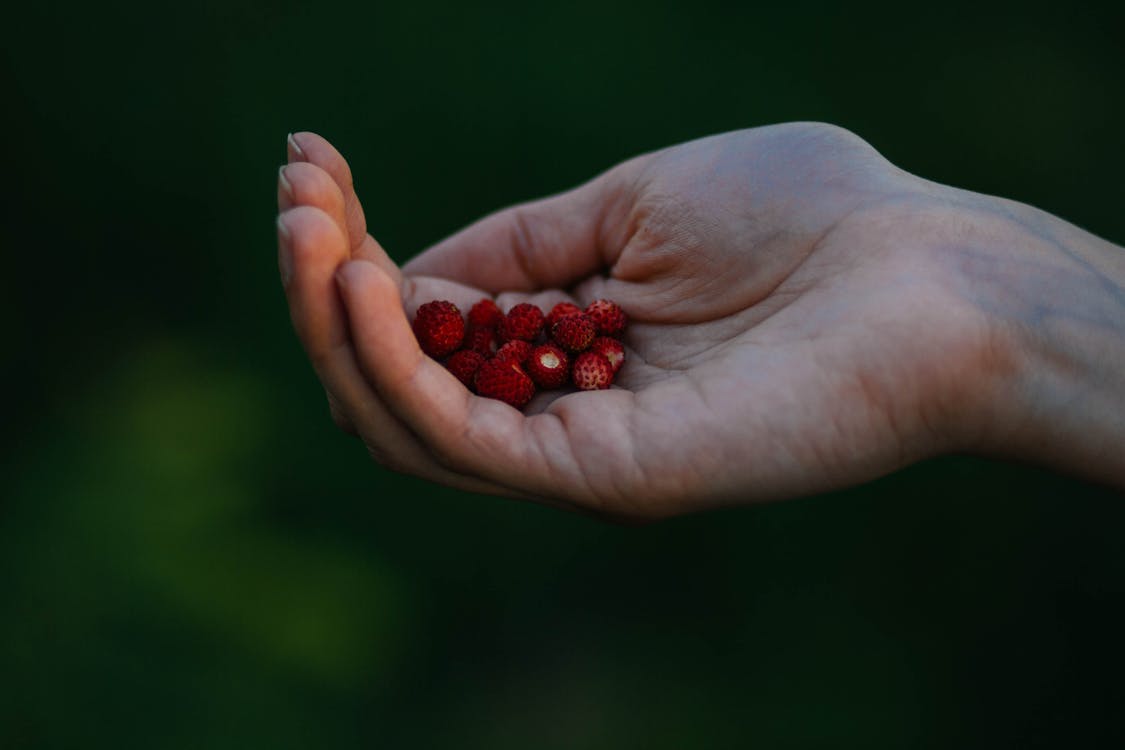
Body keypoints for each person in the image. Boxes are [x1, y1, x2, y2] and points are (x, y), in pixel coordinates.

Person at [275, 124, 1124, 520]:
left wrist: (953, 280)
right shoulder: (538, 340)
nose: (573, 349)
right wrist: (985, 295)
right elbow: (534, 343)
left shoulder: (560, 342)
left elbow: (551, 345)